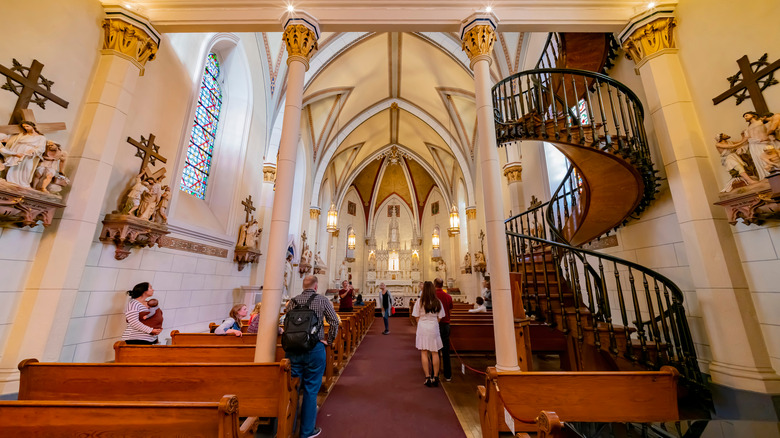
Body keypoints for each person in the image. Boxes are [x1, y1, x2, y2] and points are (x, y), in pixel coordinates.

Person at [284, 275, 339, 438]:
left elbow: (285, 321)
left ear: (303, 286)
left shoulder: (292, 301)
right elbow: (334, 322)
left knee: (292, 389)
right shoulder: (322, 300)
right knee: (310, 390)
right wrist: (328, 341)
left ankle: (288, 429)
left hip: (293, 350)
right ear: (316, 287)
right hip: (314, 348)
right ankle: (307, 431)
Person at [412, 281, 446, 387]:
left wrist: (423, 322)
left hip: (423, 327)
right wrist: (433, 323)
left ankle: (427, 377)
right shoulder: (437, 301)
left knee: (424, 352)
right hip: (434, 328)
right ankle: (435, 377)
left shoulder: (419, 301)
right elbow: (440, 316)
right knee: (435, 352)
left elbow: (416, 316)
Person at [0, 121, 47, 188]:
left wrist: (33, 151)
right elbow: (13, 142)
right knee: (14, 167)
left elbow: (41, 148)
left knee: (27, 167)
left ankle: (23, 183)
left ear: (32, 126)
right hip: (18, 152)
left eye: (27, 126)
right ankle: (12, 181)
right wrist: (14, 153)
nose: (26, 128)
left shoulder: (41, 137)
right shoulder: (22, 135)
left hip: (29, 155)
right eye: (24, 127)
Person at [434, 277, 453, 381]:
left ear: (434, 285)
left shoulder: (432, 297)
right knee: (446, 351)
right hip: (445, 325)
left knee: (434, 350)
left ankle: (435, 373)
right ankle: (448, 375)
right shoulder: (448, 296)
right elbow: (450, 308)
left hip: (435, 325)